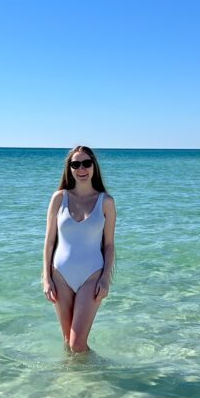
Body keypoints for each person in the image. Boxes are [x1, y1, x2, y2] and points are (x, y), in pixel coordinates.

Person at [43, 145, 116, 352]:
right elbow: (49, 241)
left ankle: (100, 374)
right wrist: (46, 278)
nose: (81, 168)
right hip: (60, 275)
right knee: (67, 341)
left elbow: (109, 245)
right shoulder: (59, 198)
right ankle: (73, 381)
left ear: (94, 166)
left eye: (86, 163)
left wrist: (105, 278)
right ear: (70, 168)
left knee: (77, 344)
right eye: (76, 164)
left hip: (92, 276)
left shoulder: (106, 202)